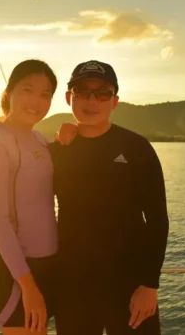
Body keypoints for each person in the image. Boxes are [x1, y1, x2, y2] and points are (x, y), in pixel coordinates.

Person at [48, 60, 169, 335]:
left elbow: (158, 221)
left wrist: (150, 285)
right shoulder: (56, 151)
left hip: (130, 285)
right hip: (74, 284)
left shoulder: (137, 148)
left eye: (102, 93)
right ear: (69, 98)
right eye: (82, 91)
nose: (92, 100)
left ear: (114, 101)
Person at [0, 59, 77, 335]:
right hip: (19, 271)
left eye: (45, 94)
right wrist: (27, 286)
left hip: (47, 264)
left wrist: (69, 134)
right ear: (9, 93)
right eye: (28, 90)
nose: (36, 100)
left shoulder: (38, 139)